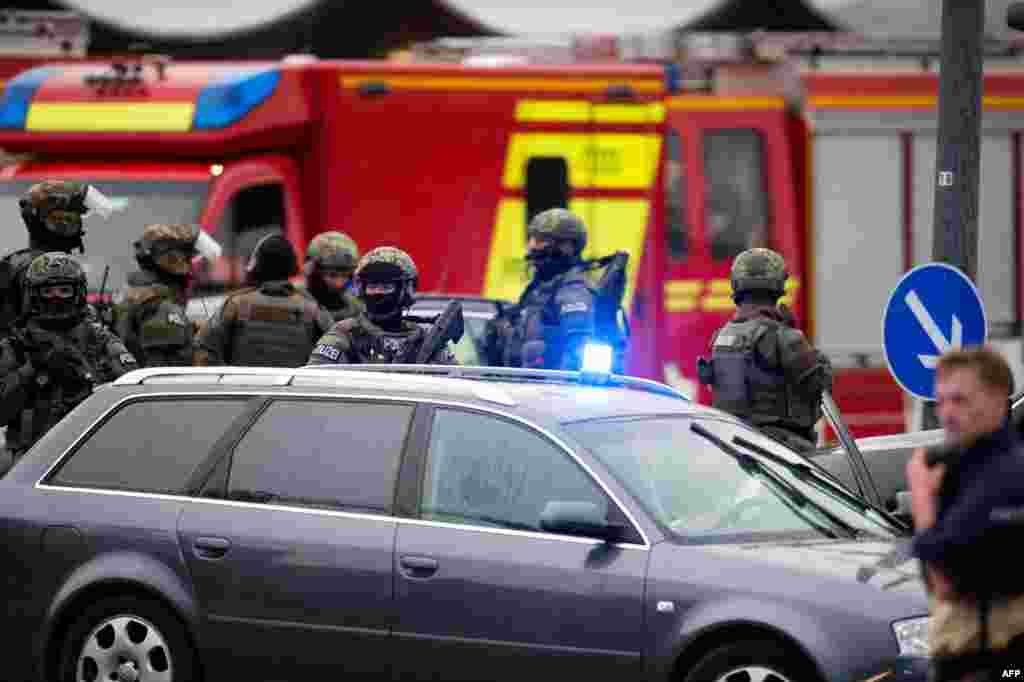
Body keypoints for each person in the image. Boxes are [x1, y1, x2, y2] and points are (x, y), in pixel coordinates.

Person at [906, 347, 1024, 681]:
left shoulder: (1005, 473)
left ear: (998, 399)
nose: (947, 414)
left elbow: (945, 579)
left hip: (989, 659)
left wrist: (922, 498)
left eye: (960, 400)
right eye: (941, 402)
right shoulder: (964, 467)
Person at [0, 253, 137, 467]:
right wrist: (32, 369)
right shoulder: (17, 345)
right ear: (33, 294)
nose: (56, 298)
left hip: (93, 452)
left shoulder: (99, 339)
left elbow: (132, 396)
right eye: (48, 291)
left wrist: (85, 381)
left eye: (64, 291)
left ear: (78, 292)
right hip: (31, 459)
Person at [697, 247, 832, 452]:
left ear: (736, 285)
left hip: (731, 447)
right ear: (778, 285)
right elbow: (820, 385)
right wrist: (812, 351)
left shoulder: (720, 337)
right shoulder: (783, 337)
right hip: (781, 451)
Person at [194, 234, 333, 367]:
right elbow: (336, 351)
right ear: (292, 266)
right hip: (294, 384)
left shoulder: (236, 305)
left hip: (243, 384)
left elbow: (203, 348)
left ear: (257, 265)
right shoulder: (312, 308)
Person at [0, 181, 114, 335]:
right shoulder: (38, 268)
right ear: (35, 221)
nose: (67, 227)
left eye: (72, 220)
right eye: (58, 220)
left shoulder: (19, 262)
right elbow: (51, 328)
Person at [308, 246, 456, 365]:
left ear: (405, 290)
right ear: (362, 290)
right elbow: (315, 379)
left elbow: (458, 382)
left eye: (386, 286)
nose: (378, 292)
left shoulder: (425, 341)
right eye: (372, 286)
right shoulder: (346, 334)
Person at [500, 208, 596, 371]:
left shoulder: (573, 290)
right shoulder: (540, 288)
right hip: (523, 383)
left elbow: (578, 351)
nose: (532, 246)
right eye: (532, 238)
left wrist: (561, 385)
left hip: (552, 385)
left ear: (567, 246)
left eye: (541, 240)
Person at [112, 223, 200, 367]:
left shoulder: (139, 293)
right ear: (171, 259)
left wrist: (191, 330)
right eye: (186, 257)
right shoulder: (159, 306)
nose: (190, 265)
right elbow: (163, 372)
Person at [304, 230, 363, 321]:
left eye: (345, 275)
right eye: (332, 275)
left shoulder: (356, 306)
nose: (339, 283)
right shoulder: (296, 306)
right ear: (313, 273)